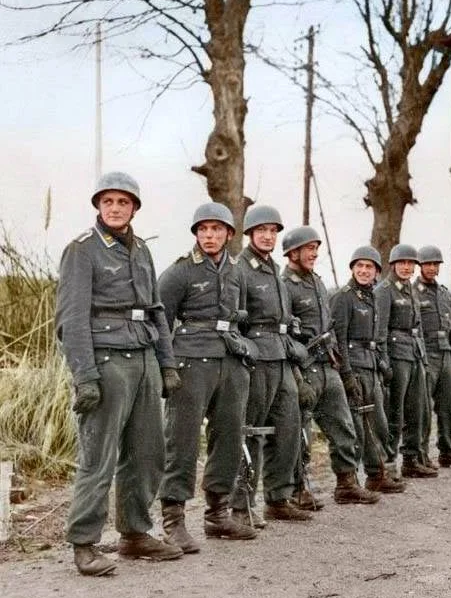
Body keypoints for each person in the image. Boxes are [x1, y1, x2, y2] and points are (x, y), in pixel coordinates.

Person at [56, 171, 182, 576]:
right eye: (108, 201)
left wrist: (167, 363)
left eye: (123, 202)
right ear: (98, 205)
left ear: (134, 208)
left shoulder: (142, 249)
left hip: (144, 358)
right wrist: (85, 376)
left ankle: (134, 534)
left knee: (147, 453)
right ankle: (84, 542)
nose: (114, 208)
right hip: (107, 361)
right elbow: (71, 319)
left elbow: (156, 310)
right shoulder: (82, 250)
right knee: (99, 456)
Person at [156, 202, 258, 553]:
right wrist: (166, 367)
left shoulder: (237, 271)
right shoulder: (180, 272)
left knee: (229, 435)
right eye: (203, 230)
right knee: (181, 440)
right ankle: (173, 520)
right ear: (196, 234)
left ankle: (217, 514)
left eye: (217, 229)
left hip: (229, 361)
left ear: (230, 234)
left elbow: (239, 316)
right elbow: (160, 321)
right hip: (191, 361)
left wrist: (243, 352)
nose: (210, 236)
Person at [280, 226, 381, 506]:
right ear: (293, 252)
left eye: (315, 249)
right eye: (308, 249)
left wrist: (343, 370)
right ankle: (297, 489)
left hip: (329, 365)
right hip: (305, 368)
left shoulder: (317, 282)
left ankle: (346, 483)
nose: (314, 254)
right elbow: (285, 333)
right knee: (301, 433)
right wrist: (297, 375)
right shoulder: (284, 286)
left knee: (343, 426)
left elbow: (331, 328)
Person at [229, 205, 311, 525]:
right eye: (261, 230)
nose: (268, 236)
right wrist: (245, 350)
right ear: (249, 233)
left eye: (273, 231)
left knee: (289, 428)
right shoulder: (240, 269)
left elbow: (283, 318)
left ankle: (278, 498)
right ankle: (243, 503)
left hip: (281, 356)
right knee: (251, 433)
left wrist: (294, 344)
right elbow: (234, 320)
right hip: (256, 359)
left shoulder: (272, 268)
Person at [330, 247, 405, 494]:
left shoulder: (372, 296)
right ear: (352, 268)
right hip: (355, 367)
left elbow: (377, 336)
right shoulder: (344, 297)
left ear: (376, 272)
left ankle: (377, 474)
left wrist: (382, 364)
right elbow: (339, 340)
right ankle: (351, 481)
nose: (363, 271)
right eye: (359, 266)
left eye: (369, 267)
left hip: (371, 367)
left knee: (379, 423)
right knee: (358, 427)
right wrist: (347, 374)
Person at [375, 244, 437, 479]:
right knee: (395, 411)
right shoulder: (385, 290)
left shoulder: (410, 289)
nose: (406, 267)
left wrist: (422, 356)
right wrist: (384, 362)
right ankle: (388, 463)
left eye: (411, 263)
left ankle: (411, 459)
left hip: (414, 354)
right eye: (402, 263)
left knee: (416, 409)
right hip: (396, 355)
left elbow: (417, 326)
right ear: (393, 264)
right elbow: (380, 331)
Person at [414, 246, 451, 468]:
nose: (432, 268)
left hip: (446, 355)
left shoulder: (446, 294)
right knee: (423, 408)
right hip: (426, 355)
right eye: (428, 264)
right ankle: (421, 454)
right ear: (421, 266)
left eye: (436, 264)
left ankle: (448, 450)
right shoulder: (413, 292)